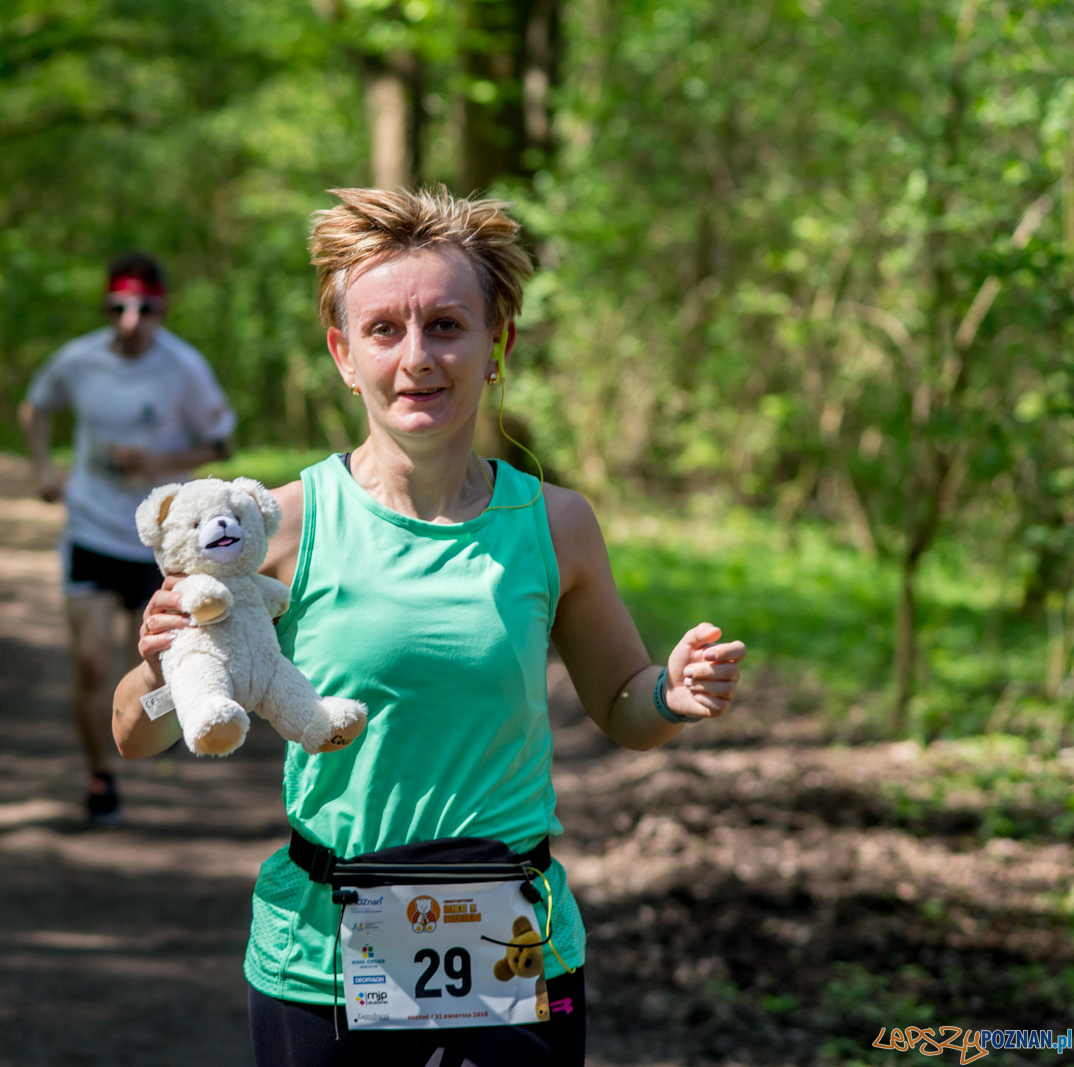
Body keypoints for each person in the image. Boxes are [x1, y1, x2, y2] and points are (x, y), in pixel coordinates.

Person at [112, 188, 747, 1066]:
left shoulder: (555, 524)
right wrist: (156, 672)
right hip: (319, 961)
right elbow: (133, 736)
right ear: (343, 352)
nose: (418, 357)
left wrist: (672, 695)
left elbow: (624, 707)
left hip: (513, 951)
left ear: (498, 344)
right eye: (384, 331)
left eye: (447, 324)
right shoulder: (278, 526)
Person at [19, 251, 235, 827]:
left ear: (163, 309)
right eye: (119, 306)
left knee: (162, 667)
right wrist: (42, 469)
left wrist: (160, 460)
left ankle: (149, 740)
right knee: (92, 663)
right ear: (107, 307)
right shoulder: (80, 360)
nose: (132, 319)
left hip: (158, 541)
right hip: (90, 528)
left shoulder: (184, 368)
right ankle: (100, 778)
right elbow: (35, 408)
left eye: (146, 307)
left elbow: (220, 445)